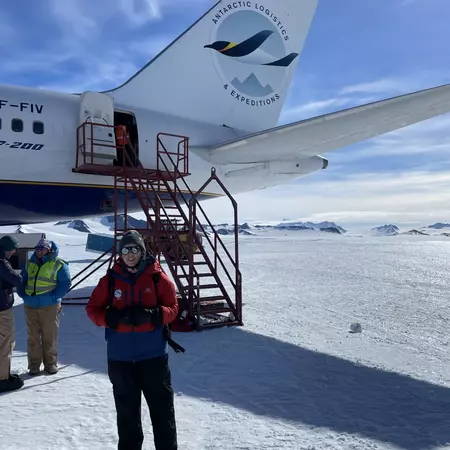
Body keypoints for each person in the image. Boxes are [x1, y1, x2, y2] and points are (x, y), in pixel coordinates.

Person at [86, 230, 179, 450]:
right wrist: (110, 317)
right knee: (127, 415)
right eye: (126, 249)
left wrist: (155, 314)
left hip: (153, 357)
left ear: (142, 251)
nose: (130, 254)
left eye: (134, 249)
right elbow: (92, 309)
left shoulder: (157, 278)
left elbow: (173, 307)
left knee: (162, 412)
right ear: (120, 253)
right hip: (120, 359)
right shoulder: (109, 280)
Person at [21, 238, 71, 375]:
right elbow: (23, 279)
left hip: (49, 306)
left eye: (42, 249)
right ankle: (34, 366)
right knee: (33, 337)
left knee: (50, 337)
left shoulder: (58, 264)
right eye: (37, 248)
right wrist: (22, 294)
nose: (39, 251)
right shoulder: (30, 263)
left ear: (49, 250)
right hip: (30, 305)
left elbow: (65, 283)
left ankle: (50, 364)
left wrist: (54, 297)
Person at [0, 235, 24, 392]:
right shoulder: (1, 262)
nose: (15, 252)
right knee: (5, 344)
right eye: (14, 249)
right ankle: (3, 380)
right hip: (2, 310)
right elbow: (16, 279)